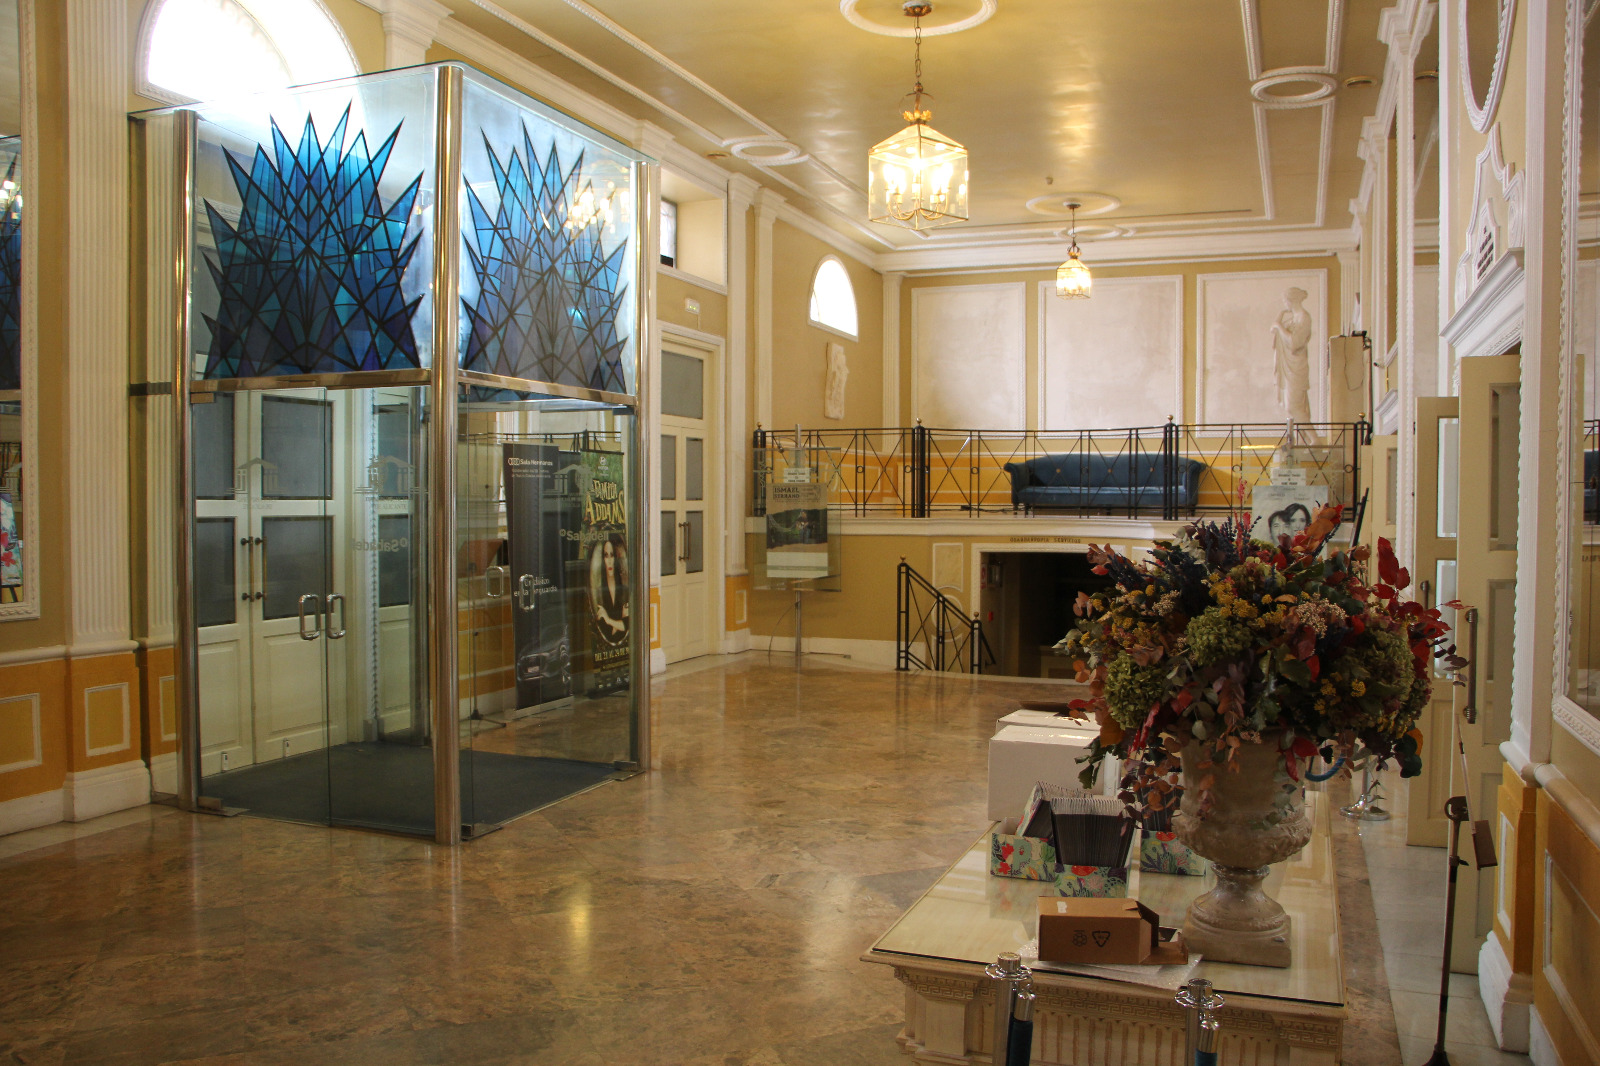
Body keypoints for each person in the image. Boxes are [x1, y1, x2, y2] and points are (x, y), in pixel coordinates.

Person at [1269, 287, 1313, 425]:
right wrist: (1281, 314)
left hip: (1296, 367)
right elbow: (1273, 329)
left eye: (1285, 301)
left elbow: (1295, 343)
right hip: (1289, 367)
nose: (1284, 304)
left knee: (1294, 408)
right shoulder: (1294, 318)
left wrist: (1280, 326)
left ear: (1291, 300)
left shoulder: (1304, 318)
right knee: (1292, 408)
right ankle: (1307, 436)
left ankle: (1314, 437)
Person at [590, 533, 629, 646]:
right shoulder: (599, 591)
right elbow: (606, 629)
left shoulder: (623, 587)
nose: (610, 561)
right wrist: (618, 624)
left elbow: (627, 625)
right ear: (603, 559)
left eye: (612, 555)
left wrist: (608, 620)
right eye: (606, 556)